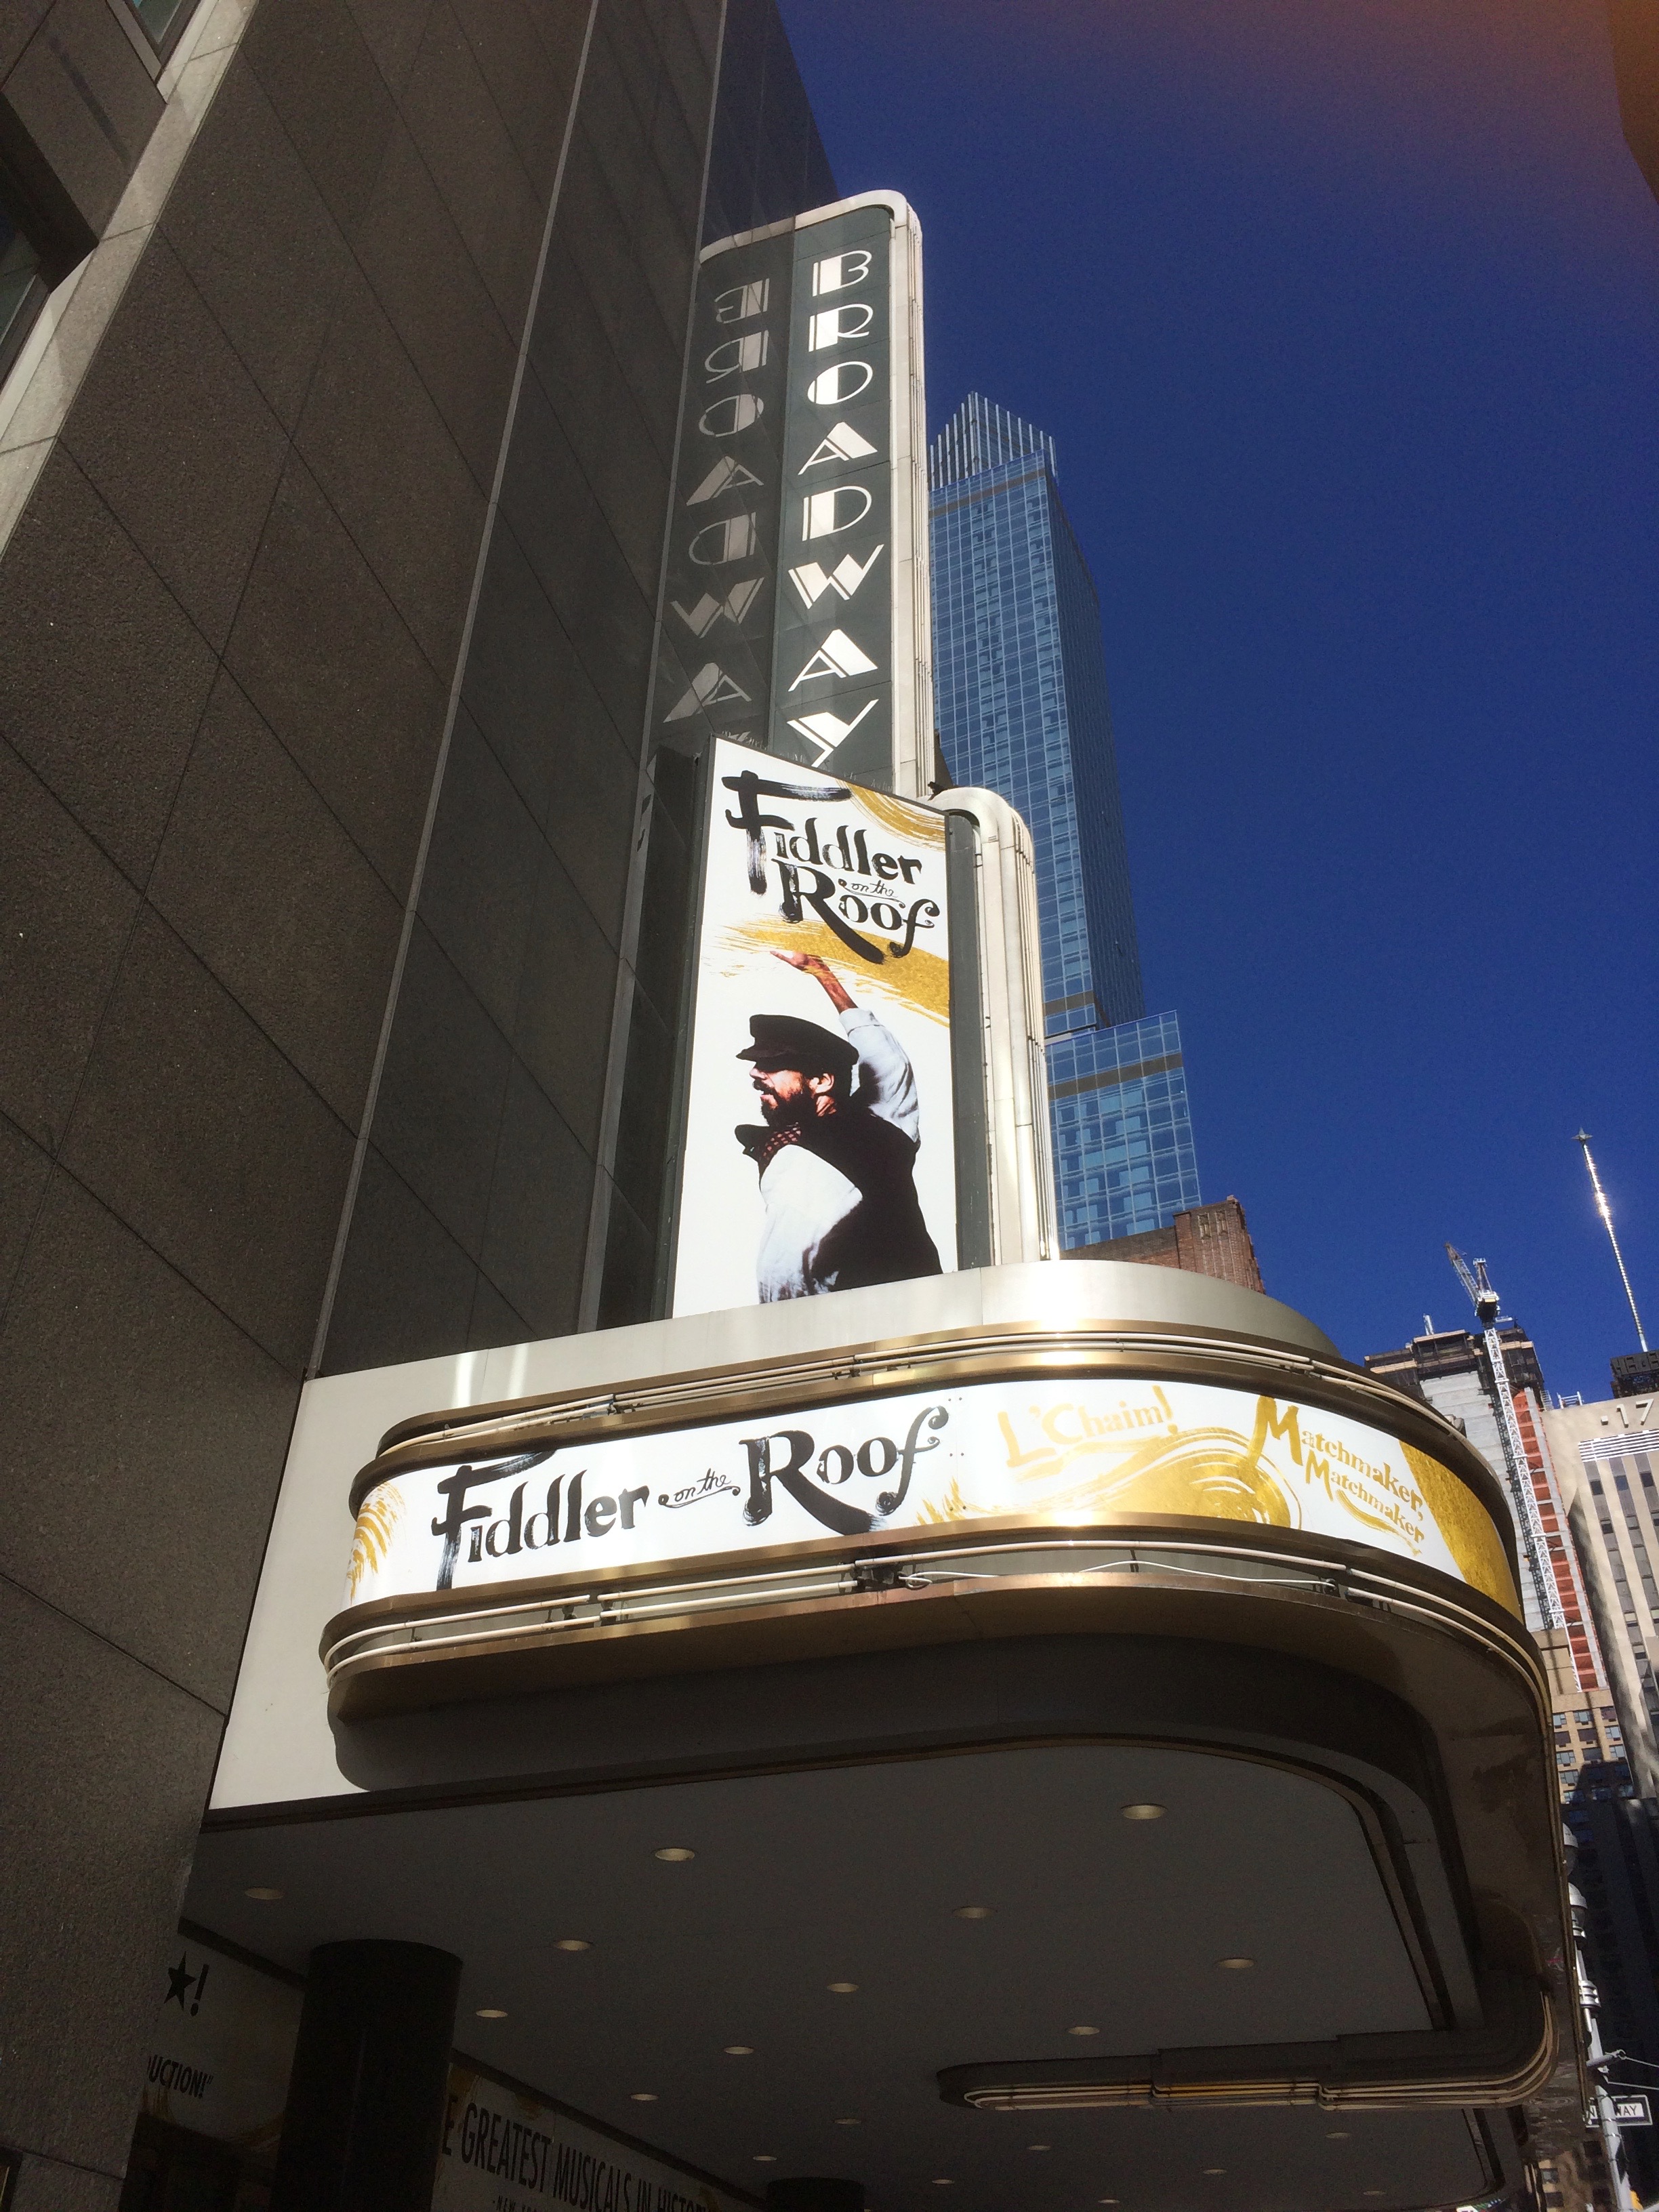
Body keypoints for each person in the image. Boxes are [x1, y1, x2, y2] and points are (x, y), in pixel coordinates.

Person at [735, 951, 942, 1300]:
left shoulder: (799, 1162)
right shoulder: (886, 1123)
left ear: (821, 1081)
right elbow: (887, 1059)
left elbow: (783, 1278)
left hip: (870, 1326)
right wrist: (822, 973)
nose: (755, 1073)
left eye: (771, 1065)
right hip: (929, 1311)